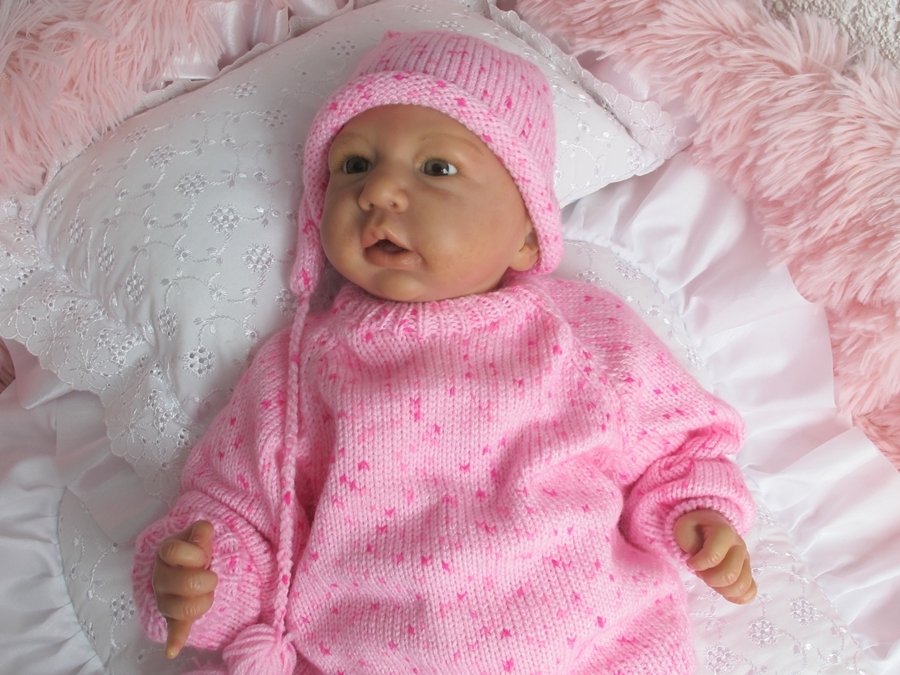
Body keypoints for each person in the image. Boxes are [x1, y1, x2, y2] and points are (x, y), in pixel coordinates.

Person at [133, 30, 756, 674]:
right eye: (354, 166)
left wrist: (694, 513)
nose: (378, 192)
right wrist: (203, 578)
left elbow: (678, 447)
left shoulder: (581, 335)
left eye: (437, 168)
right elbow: (237, 511)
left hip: (591, 645)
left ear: (526, 235)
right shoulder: (297, 371)